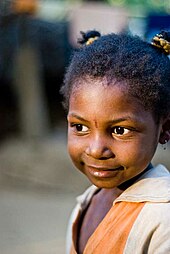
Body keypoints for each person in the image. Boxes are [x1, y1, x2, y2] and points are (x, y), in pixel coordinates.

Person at [60, 30, 170, 254]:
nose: (96, 150)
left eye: (120, 130)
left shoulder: (162, 217)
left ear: (164, 128)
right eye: (80, 127)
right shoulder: (88, 200)